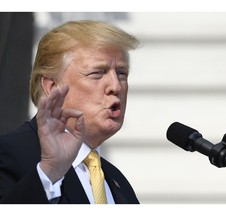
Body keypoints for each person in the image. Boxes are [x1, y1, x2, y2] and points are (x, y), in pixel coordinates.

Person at [0, 20, 140, 204]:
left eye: (122, 73)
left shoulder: (117, 181)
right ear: (52, 87)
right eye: (97, 73)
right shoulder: (8, 155)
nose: (115, 86)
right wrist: (49, 172)